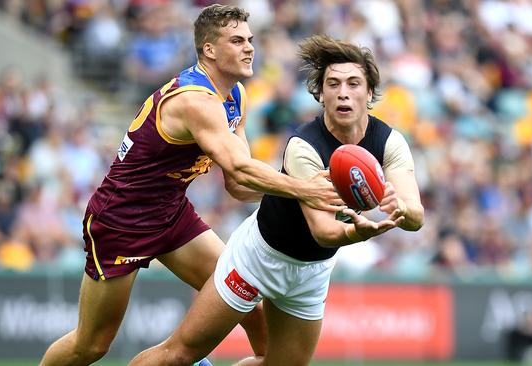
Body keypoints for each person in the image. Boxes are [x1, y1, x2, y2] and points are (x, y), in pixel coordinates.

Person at [39, 5, 342, 366]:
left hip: (172, 213)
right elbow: (242, 169)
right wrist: (305, 188)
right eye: (237, 40)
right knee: (90, 346)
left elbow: (238, 186)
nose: (249, 48)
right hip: (122, 220)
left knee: (252, 310)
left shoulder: (236, 97)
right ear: (209, 50)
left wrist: (297, 197)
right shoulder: (195, 101)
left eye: (250, 39)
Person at [129, 34, 425, 366]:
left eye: (354, 83)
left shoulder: (389, 142)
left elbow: (416, 215)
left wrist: (400, 208)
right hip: (258, 259)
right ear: (320, 94)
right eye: (333, 84)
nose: (343, 92)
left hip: (312, 271)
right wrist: (362, 232)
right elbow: (324, 231)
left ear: (370, 93)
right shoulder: (304, 146)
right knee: (179, 354)